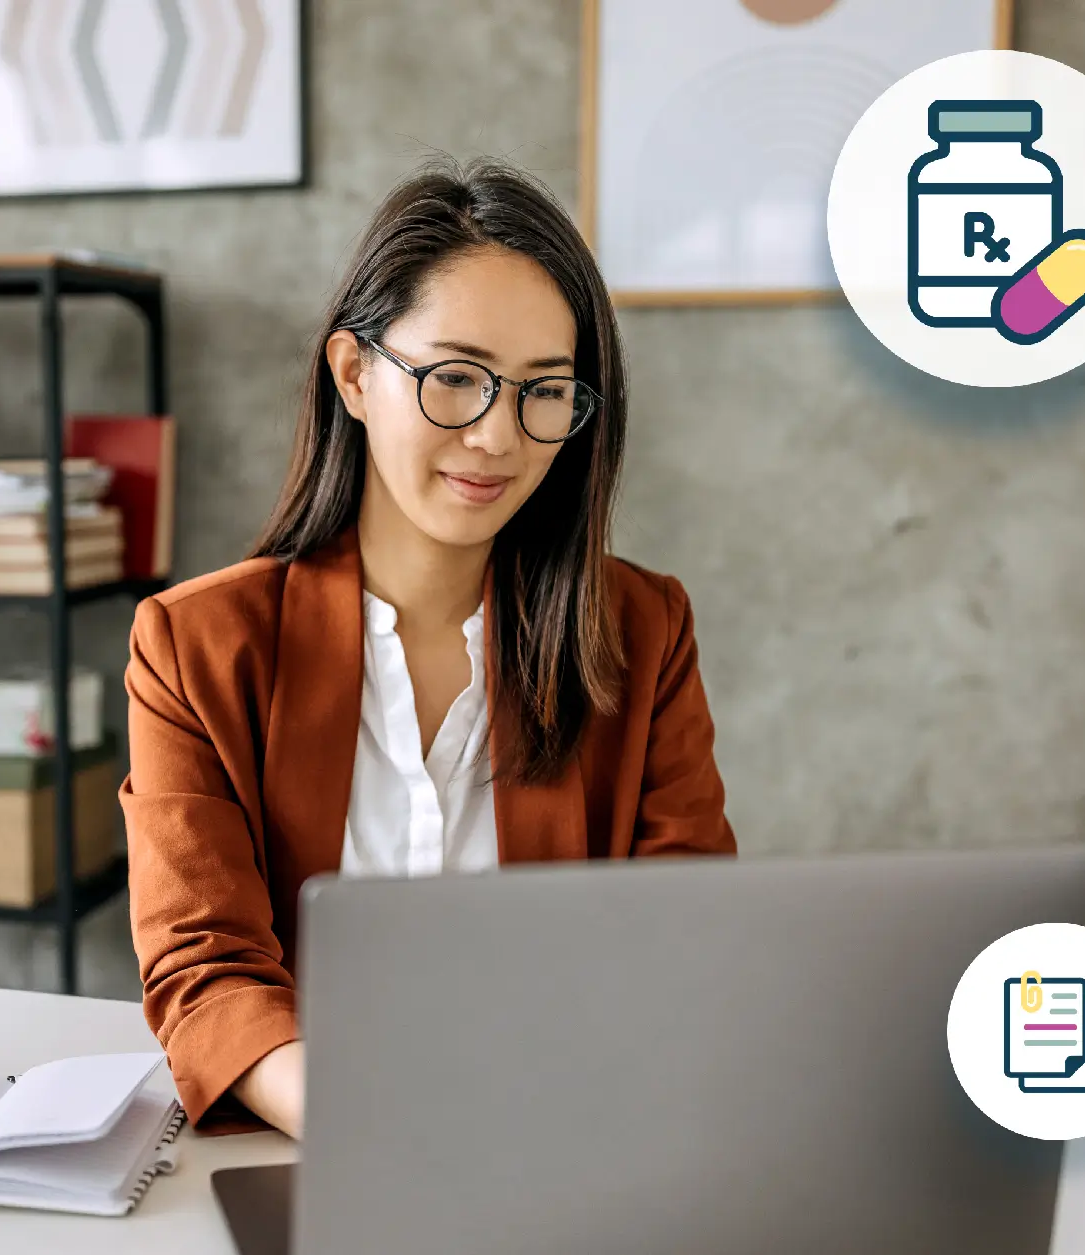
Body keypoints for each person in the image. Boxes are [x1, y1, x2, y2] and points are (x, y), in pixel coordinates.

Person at [120, 157, 737, 1140]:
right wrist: (377, 1128)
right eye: (455, 377)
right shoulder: (196, 647)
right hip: (322, 1152)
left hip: (570, 1139)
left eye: (544, 390)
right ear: (354, 375)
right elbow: (206, 971)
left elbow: (685, 938)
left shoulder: (641, 632)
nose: (497, 436)